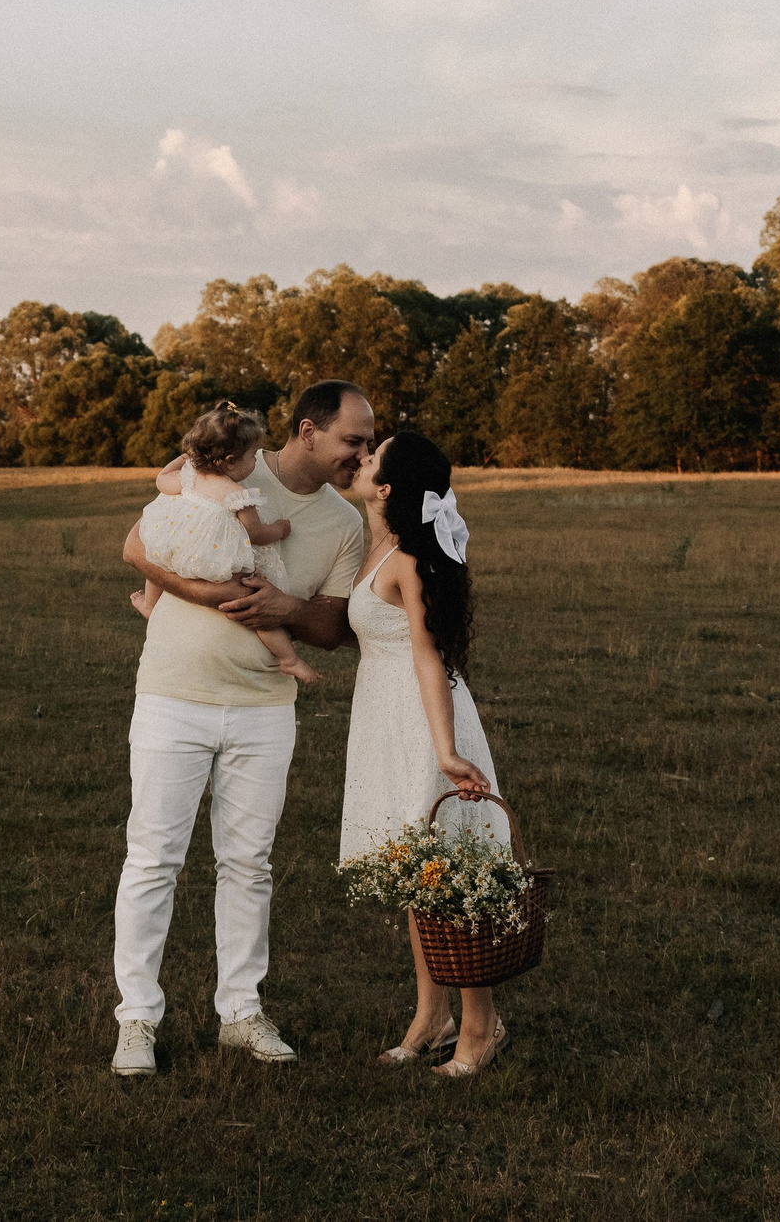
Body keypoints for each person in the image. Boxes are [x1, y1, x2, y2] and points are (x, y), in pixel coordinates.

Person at [107, 380, 375, 1076]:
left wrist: (284, 602)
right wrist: (211, 594)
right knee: (153, 860)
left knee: (249, 864)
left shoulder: (346, 525)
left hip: (263, 710)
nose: (363, 453)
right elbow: (138, 544)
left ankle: (241, 1011)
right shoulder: (231, 462)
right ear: (309, 432)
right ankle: (137, 1019)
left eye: (368, 443)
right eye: (354, 439)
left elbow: (335, 626)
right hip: (175, 693)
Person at [339, 430, 511, 1078]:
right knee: (418, 873)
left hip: (425, 718)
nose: (360, 459)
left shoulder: (409, 557)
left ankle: (480, 1024)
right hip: (386, 718)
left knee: (449, 874)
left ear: (386, 488)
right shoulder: (376, 543)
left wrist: (445, 749)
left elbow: (429, 655)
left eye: (372, 457)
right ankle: (430, 1015)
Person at [129, 403, 318, 686]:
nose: (256, 462)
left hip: (183, 549)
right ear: (230, 461)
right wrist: (279, 529)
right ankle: (288, 658)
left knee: (159, 558)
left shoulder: (189, 479)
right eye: (252, 456)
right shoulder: (237, 494)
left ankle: (150, 604)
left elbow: (161, 479)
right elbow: (255, 533)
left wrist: (183, 459)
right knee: (249, 605)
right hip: (214, 560)